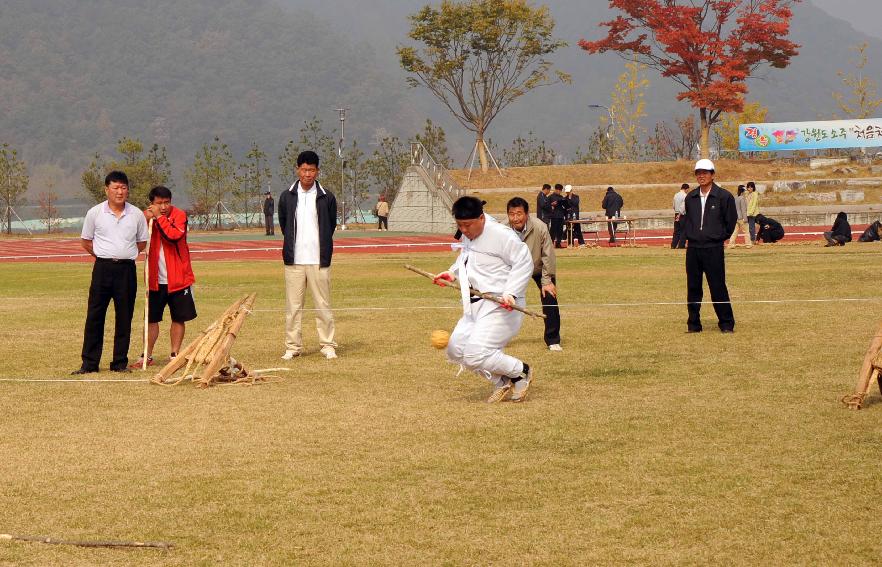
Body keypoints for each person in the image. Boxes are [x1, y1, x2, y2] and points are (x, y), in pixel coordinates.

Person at [433, 196, 534, 403]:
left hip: (501, 304)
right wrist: (453, 274)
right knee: (456, 349)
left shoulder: (501, 235)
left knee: (475, 353)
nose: (464, 230)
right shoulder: (467, 234)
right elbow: (467, 259)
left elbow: (524, 262)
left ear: (481, 218)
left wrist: (511, 293)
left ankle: (520, 372)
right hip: (474, 304)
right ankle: (501, 381)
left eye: (467, 225)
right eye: (459, 225)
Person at [72, 171, 149, 374]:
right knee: (95, 315)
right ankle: (89, 364)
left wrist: (124, 254)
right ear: (106, 189)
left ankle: (119, 363)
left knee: (124, 316)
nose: (120, 192)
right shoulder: (95, 213)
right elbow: (86, 241)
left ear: (128, 190)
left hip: (126, 270)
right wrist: (103, 255)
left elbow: (141, 242)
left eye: (123, 187)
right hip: (102, 268)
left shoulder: (136, 214)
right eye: (115, 187)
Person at [278, 150, 338, 360]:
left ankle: (327, 344)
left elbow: (330, 225)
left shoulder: (326, 196)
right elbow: (285, 224)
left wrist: (321, 248)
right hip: (294, 260)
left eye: (311, 170)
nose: (307, 174)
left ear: (317, 171)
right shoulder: (287, 196)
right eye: (304, 169)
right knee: (293, 307)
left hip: (318, 260)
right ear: (297, 170)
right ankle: (293, 347)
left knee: (323, 304)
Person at [130, 186, 197, 368]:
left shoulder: (179, 215)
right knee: (151, 319)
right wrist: (145, 218)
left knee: (178, 318)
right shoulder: (146, 217)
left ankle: (175, 354)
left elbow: (174, 236)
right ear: (152, 203)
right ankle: (146, 355)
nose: (163, 206)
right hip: (154, 280)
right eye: (159, 203)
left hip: (179, 279)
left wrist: (159, 218)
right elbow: (134, 234)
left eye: (166, 202)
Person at [682, 159, 737, 333]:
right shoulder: (690, 197)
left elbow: (730, 221)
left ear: (712, 175)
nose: (701, 176)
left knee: (717, 285)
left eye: (705, 172)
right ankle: (694, 324)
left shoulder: (724, 196)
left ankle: (726, 323)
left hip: (713, 248)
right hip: (694, 249)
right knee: (693, 286)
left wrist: (719, 236)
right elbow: (688, 220)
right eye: (698, 173)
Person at [505, 197, 562, 351]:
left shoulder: (540, 227)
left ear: (527, 214)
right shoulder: (502, 229)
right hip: (514, 270)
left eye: (519, 214)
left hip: (538, 267)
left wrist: (547, 281)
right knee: (501, 300)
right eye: (512, 214)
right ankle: (500, 337)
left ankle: (553, 340)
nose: (515, 218)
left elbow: (548, 255)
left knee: (549, 296)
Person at [547, 183, 570, 248]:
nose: (559, 191)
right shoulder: (550, 197)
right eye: (558, 190)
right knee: (553, 230)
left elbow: (565, 206)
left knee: (560, 230)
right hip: (554, 216)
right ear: (555, 189)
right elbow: (547, 206)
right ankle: (551, 243)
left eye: (560, 190)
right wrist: (552, 204)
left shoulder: (562, 197)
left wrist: (567, 207)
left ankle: (558, 243)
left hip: (561, 216)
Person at [671, 183, 689, 249]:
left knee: (676, 230)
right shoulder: (685, 195)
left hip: (676, 213)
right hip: (682, 214)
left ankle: (673, 245)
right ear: (686, 189)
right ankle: (681, 245)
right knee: (683, 230)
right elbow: (683, 206)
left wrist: (676, 213)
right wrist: (680, 214)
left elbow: (673, 205)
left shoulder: (676, 195)